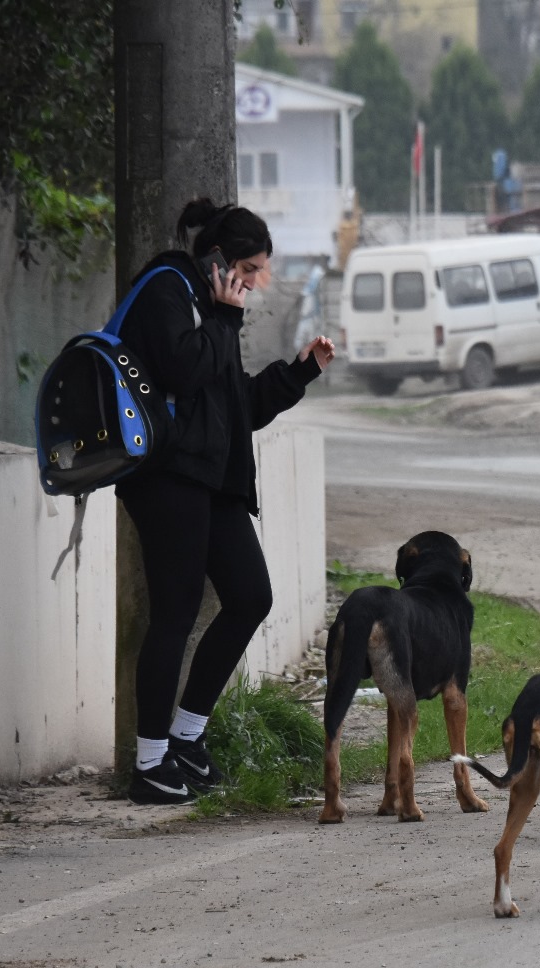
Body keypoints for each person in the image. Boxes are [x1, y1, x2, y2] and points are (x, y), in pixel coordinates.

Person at [117, 198, 334, 804]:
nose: (258, 283)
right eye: (252, 268)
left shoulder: (210, 311)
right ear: (219, 261)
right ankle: (150, 763)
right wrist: (225, 319)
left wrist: (299, 373)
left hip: (210, 481)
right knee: (175, 615)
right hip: (167, 478)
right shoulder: (168, 290)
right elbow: (184, 371)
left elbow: (234, 405)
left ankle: (187, 739)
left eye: (262, 270)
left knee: (249, 597)